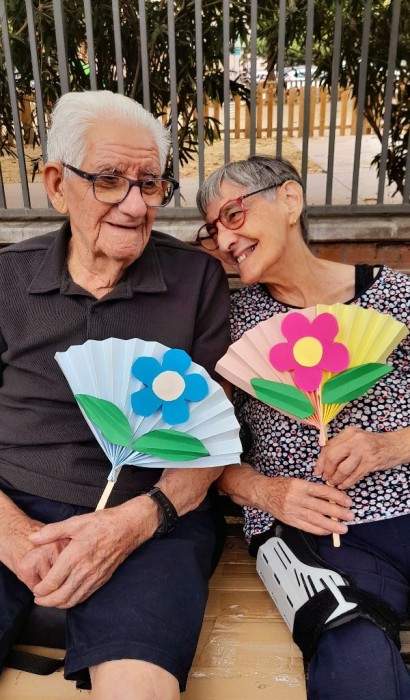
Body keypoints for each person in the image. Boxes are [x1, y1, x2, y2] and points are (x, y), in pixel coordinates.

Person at [0, 90, 232, 700]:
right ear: (57, 185)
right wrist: (12, 534)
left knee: (138, 690)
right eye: (108, 180)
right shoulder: (7, 280)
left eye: (149, 184)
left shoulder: (195, 279)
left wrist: (130, 524)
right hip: (7, 503)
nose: (134, 205)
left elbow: (212, 438)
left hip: (148, 515)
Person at [195, 155, 410, 700]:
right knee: (356, 660)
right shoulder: (229, 323)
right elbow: (199, 451)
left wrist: (389, 445)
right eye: (213, 228)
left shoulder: (398, 295)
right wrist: (266, 492)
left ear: (290, 200)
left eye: (233, 215)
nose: (225, 239)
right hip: (310, 535)